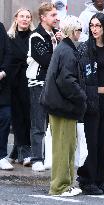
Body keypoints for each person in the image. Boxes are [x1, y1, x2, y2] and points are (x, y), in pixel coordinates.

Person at [40, 15, 87, 196]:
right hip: (63, 106)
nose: (80, 33)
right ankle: (59, 187)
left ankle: (65, 184)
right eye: (79, 30)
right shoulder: (67, 51)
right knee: (62, 148)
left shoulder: (64, 48)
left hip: (60, 105)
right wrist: (82, 96)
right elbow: (67, 80)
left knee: (66, 147)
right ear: (73, 31)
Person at [77, 13, 104, 195]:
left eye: (98, 26)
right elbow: (80, 75)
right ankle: (87, 179)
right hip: (91, 100)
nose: (94, 29)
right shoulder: (84, 48)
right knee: (92, 140)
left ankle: (103, 178)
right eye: (92, 25)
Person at [27, 2, 59, 172]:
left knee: (52, 123)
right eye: (53, 15)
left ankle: (49, 156)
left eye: (56, 14)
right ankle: (36, 158)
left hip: (53, 84)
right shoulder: (36, 36)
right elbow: (47, 61)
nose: (57, 18)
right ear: (43, 17)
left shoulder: (55, 34)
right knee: (39, 122)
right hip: (38, 83)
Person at [7, 8, 35, 166]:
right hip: (13, 82)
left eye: (28, 17)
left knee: (27, 116)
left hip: (29, 81)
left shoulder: (34, 36)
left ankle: (19, 151)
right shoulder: (9, 37)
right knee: (17, 117)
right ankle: (22, 151)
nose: (25, 19)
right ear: (16, 18)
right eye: (22, 16)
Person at [0, 22, 13, 170]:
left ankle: (2, 156)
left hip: (2, 84)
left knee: (5, 117)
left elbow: (8, 53)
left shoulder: (0, 27)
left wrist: (3, 72)